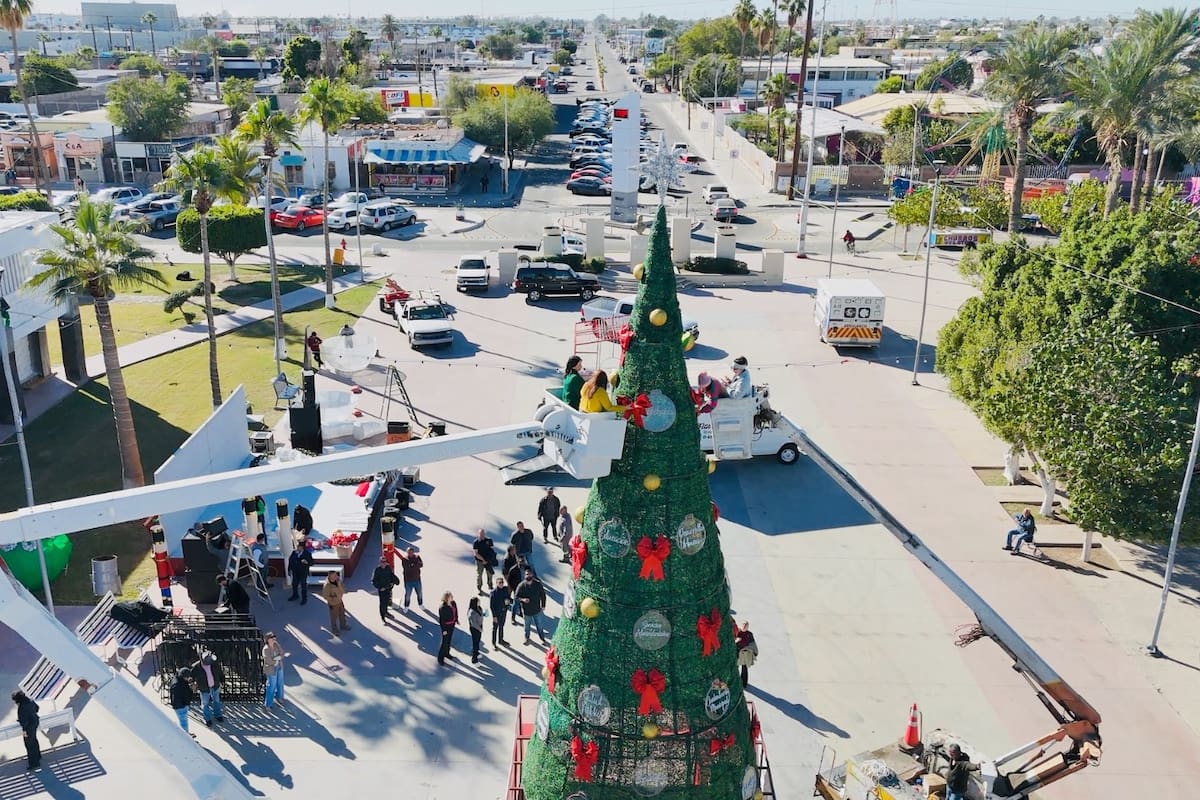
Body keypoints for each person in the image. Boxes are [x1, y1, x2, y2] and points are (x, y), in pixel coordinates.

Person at [191, 650, 224, 727]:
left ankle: (218, 715)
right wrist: (193, 683)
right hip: (204, 688)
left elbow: (220, 673)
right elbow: (191, 676)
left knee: (216, 701)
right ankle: (207, 719)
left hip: (215, 686)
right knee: (205, 704)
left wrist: (222, 681)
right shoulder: (197, 667)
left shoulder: (214, 664)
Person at [516, 568, 548, 645]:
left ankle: (542, 638)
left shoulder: (537, 584)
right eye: (527, 574)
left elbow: (543, 595)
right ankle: (527, 638)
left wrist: (543, 605)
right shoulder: (521, 586)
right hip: (527, 611)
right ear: (524, 575)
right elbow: (516, 597)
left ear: (532, 575)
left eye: (529, 574)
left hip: (537, 610)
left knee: (539, 626)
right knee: (527, 626)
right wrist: (523, 600)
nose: (528, 576)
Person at [11, 690, 40, 770]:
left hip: (28, 728)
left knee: (29, 745)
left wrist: (23, 726)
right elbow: (37, 708)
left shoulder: (21, 708)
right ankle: (38, 756)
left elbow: (24, 722)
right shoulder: (30, 701)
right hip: (35, 723)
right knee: (34, 740)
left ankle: (34, 763)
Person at [371, 556, 400, 621]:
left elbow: (391, 576)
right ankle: (383, 616)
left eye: (385, 562)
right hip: (382, 590)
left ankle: (386, 612)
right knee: (382, 603)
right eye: (382, 562)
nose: (383, 563)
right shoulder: (377, 570)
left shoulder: (388, 568)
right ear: (380, 562)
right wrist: (380, 587)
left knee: (387, 602)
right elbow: (373, 581)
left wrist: (396, 581)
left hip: (388, 588)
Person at [169, 667, 195, 734]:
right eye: (187, 677)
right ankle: (186, 736)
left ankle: (186, 734)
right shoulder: (178, 685)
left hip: (179, 705)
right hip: (181, 707)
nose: (188, 678)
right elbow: (185, 697)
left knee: (183, 722)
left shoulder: (177, 679)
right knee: (184, 723)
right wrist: (191, 690)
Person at [262, 632, 285, 709]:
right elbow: (268, 661)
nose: (274, 639)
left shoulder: (276, 644)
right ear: (268, 639)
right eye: (272, 637)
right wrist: (276, 660)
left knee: (280, 683)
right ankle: (268, 704)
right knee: (272, 686)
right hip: (271, 669)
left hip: (279, 666)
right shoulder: (266, 649)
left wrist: (276, 658)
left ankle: (279, 697)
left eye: (274, 637)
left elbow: (282, 653)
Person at [472, 529, 498, 594]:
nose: (482, 535)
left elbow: (492, 551)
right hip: (479, 561)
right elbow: (476, 554)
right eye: (480, 534)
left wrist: (490, 560)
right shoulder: (476, 542)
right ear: (478, 534)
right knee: (479, 575)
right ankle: (479, 587)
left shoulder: (489, 540)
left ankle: (490, 585)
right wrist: (483, 560)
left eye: (483, 534)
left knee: (490, 573)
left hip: (488, 560)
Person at [506, 556, 531, 624]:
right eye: (520, 561)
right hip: (517, 589)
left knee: (525, 602)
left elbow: (531, 576)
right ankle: (513, 618)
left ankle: (522, 613)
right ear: (517, 561)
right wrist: (514, 588)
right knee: (515, 603)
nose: (522, 562)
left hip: (525, 588)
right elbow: (509, 580)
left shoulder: (527, 568)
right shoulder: (513, 569)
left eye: (523, 561)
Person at [489, 578, 511, 648]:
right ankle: (493, 643)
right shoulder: (493, 592)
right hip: (497, 613)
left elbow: (508, 598)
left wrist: (508, 601)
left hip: (503, 612)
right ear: (496, 583)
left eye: (502, 582)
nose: (501, 584)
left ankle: (501, 640)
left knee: (501, 626)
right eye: (499, 583)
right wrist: (494, 616)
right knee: (495, 628)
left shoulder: (505, 590)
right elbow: (491, 606)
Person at [437, 591, 459, 665]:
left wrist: (456, 619)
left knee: (449, 640)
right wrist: (444, 630)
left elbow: (456, 611)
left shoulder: (453, 603)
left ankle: (447, 653)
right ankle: (440, 658)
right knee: (444, 642)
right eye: (450, 596)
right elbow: (441, 621)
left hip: (452, 625)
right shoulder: (442, 608)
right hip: (446, 627)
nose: (452, 597)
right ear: (447, 598)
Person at [735, 621, 758, 687]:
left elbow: (753, 644)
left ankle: (744, 683)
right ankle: (736, 681)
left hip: (745, 654)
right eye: (743, 625)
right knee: (735, 667)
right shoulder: (738, 632)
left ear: (748, 627)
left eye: (746, 625)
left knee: (744, 668)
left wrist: (755, 652)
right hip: (737, 652)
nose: (744, 626)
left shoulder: (749, 634)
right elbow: (733, 641)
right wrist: (736, 641)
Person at [467, 597, 485, 663]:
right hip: (475, 629)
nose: (479, 602)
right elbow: (474, 623)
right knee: (475, 642)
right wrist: (480, 629)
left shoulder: (479, 608)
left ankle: (477, 652)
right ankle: (474, 659)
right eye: (478, 601)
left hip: (479, 627)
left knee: (478, 641)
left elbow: (480, 614)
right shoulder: (472, 612)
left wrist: (484, 614)